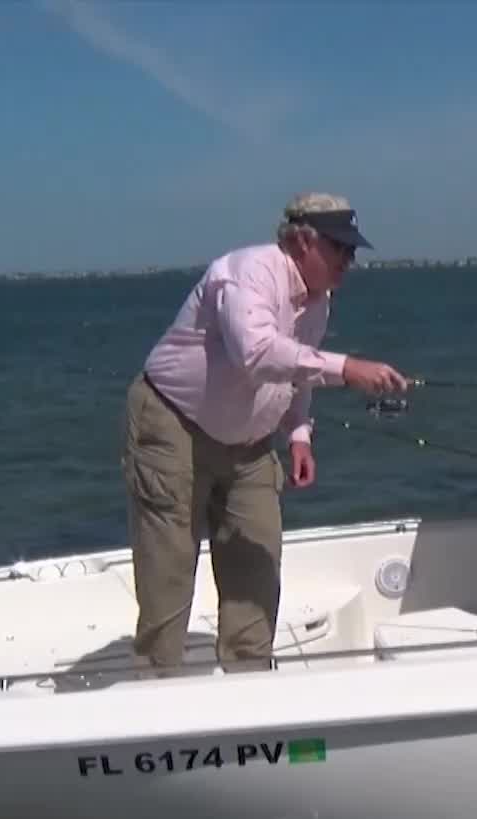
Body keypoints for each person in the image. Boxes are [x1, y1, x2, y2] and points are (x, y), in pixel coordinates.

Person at [122, 192, 410, 672]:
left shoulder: (320, 301)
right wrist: (349, 368)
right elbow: (256, 353)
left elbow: (296, 369)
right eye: (340, 248)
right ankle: (158, 683)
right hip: (173, 424)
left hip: (250, 444)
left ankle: (250, 680)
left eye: (353, 252)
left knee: (257, 563)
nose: (348, 261)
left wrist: (299, 434)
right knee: (168, 571)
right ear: (302, 241)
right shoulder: (248, 272)